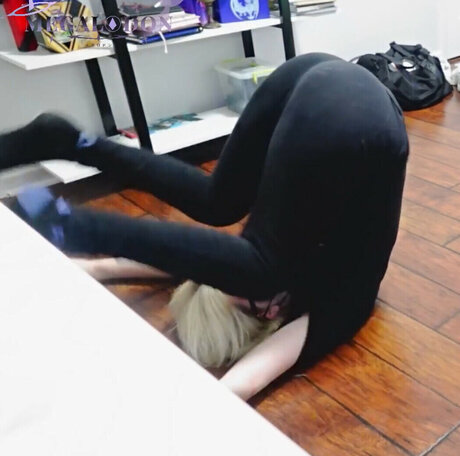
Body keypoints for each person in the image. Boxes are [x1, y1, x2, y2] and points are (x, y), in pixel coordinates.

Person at [0, 53, 409, 401]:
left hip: (307, 78)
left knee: (219, 205)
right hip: (354, 113)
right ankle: (66, 218)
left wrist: (98, 268)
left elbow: (197, 262)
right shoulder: (344, 302)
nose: (224, 275)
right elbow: (244, 383)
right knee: (255, 263)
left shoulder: (271, 268)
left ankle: (70, 144)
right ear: (271, 312)